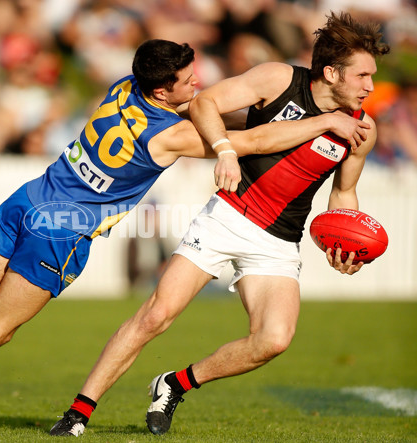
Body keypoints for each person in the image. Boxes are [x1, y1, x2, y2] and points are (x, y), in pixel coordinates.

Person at [0, 38, 366, 432]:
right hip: (61, 229)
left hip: (28, 197)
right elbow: (250, 143)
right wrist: (322, 123)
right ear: (162, 88)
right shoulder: (172, 136)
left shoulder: (118, 89)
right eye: (187, 81)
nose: (197, 86)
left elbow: (205, 113)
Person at [49, 11, 389, 437]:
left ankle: (174, 384)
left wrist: (342, 243)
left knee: (273, 340)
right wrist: (225, 149)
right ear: (331, 72)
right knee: (156, 315)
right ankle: (79, 411)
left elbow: (342, 195)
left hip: (279, 240)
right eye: (362, 76)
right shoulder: (278, 79)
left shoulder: (362, 129)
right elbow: (204, 102)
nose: (370, 87)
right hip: (227, 215)